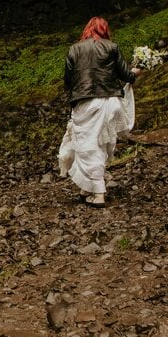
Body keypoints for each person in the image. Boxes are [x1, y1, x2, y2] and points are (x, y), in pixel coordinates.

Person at [57, 16, 141, 207]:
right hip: (111, 102)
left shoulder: (74, 50)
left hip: (86, 103)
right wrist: (135, 72)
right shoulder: (111, 47)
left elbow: (68, 81)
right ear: (104, 30)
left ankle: (99, 193)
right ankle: (87, 188)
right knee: (100, 145)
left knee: (87, 145)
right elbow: (126, 75)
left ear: (87, 30)